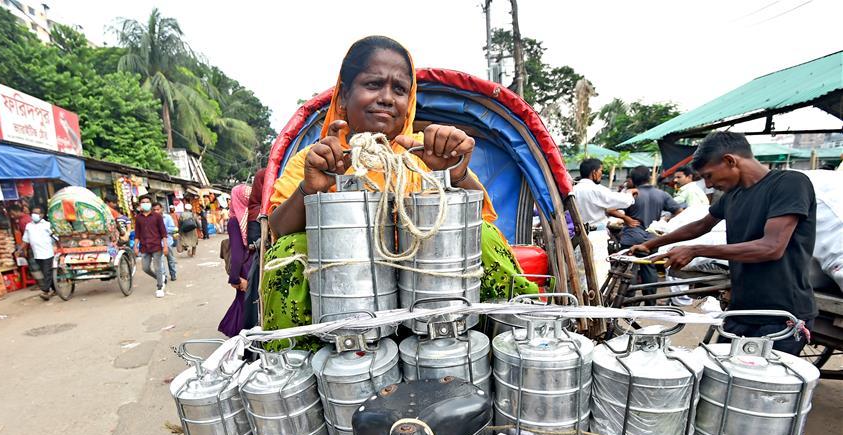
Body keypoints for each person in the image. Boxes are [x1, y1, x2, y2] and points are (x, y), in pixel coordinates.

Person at [265, 36, 537, 345]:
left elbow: (481, 221)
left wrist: (454, 173)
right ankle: (291, 367)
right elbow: (277, 229)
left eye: (399, 89)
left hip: (431, 306)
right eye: (373, 84)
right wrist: (310, 189)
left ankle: (517, 346)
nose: (386, 98)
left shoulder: (425, 155)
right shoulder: (317, 160)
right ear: (343, 97)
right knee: (290, 252)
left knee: (482, 237)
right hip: (344, 314)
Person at [630, 131, 818, 435]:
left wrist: (698, 251)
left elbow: (771, 247)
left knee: (769, 395)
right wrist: (653, 243)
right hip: (744, 307)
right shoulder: (733, 196)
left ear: (731, 161)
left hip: (783, 310)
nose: (708, 184)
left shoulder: (789, 184)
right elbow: (701, 225)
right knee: (728, 383)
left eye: (710, 176)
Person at [608, 165, 683, 303]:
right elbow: (679, 211)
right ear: (648, 178)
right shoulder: (661, 194)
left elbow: (610, 209)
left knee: (630, 269)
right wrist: (665, 221)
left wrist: (626, 219)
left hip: (632, 237)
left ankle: (629, 302)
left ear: (633, 179)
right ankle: (650, 301)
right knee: (650, 267)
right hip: (652, 238)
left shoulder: (632, 194)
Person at [573, 158, 636, 288]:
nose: (601, 174)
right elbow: (623, 201)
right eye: (601, 171)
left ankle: (582, 301)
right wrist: (630, 193)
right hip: (594, 237)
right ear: (594, 172)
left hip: (578, 235)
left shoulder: (574, 189)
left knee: (581, 271)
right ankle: (595, 304)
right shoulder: (595, 189)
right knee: (598, 273)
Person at [219, 174, 264, 336]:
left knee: (244, 304)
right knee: (248, 303)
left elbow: (237, 252)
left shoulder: (234, 220)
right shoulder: (257, 217)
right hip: (256, 262)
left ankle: (241, 336)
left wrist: (234, 278)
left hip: (244, 267)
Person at [133, 194, 169, 298]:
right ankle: (160, 278)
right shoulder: (138, 218)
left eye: (147, 202)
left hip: (156, 246)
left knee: (157, 267)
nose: (145, 204)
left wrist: (165, 246)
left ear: (150, 203)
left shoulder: (157, 216)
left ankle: (159, 286)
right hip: (144, 247)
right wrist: (135, 246)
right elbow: (137, 233)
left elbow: (163, 232)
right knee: (145, 268)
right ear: (140, 204)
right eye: (143, 202)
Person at [21, 208, 56, 300]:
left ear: (41, 215)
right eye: (33, 213)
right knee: (45, 272)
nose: (34, 214)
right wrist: (20, 250)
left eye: (36, 213)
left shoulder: (47, 225)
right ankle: (55, 289)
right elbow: (25, 240)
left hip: (47, 252)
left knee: (46, 272)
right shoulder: (29, 226)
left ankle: (45, 291)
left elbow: (55, 236)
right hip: (36, 253)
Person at [153, 203, 178, 281]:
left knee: (171, 259)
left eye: (158, 209)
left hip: (168, 242)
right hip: (157, 243)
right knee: (160, 262)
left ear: (162, 209)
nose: (156, 211)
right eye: (154, 210)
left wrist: (162, 229)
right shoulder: (151, 219)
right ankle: (164, 277)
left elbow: (173, 228)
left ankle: (173, 274)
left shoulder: (167, 217)